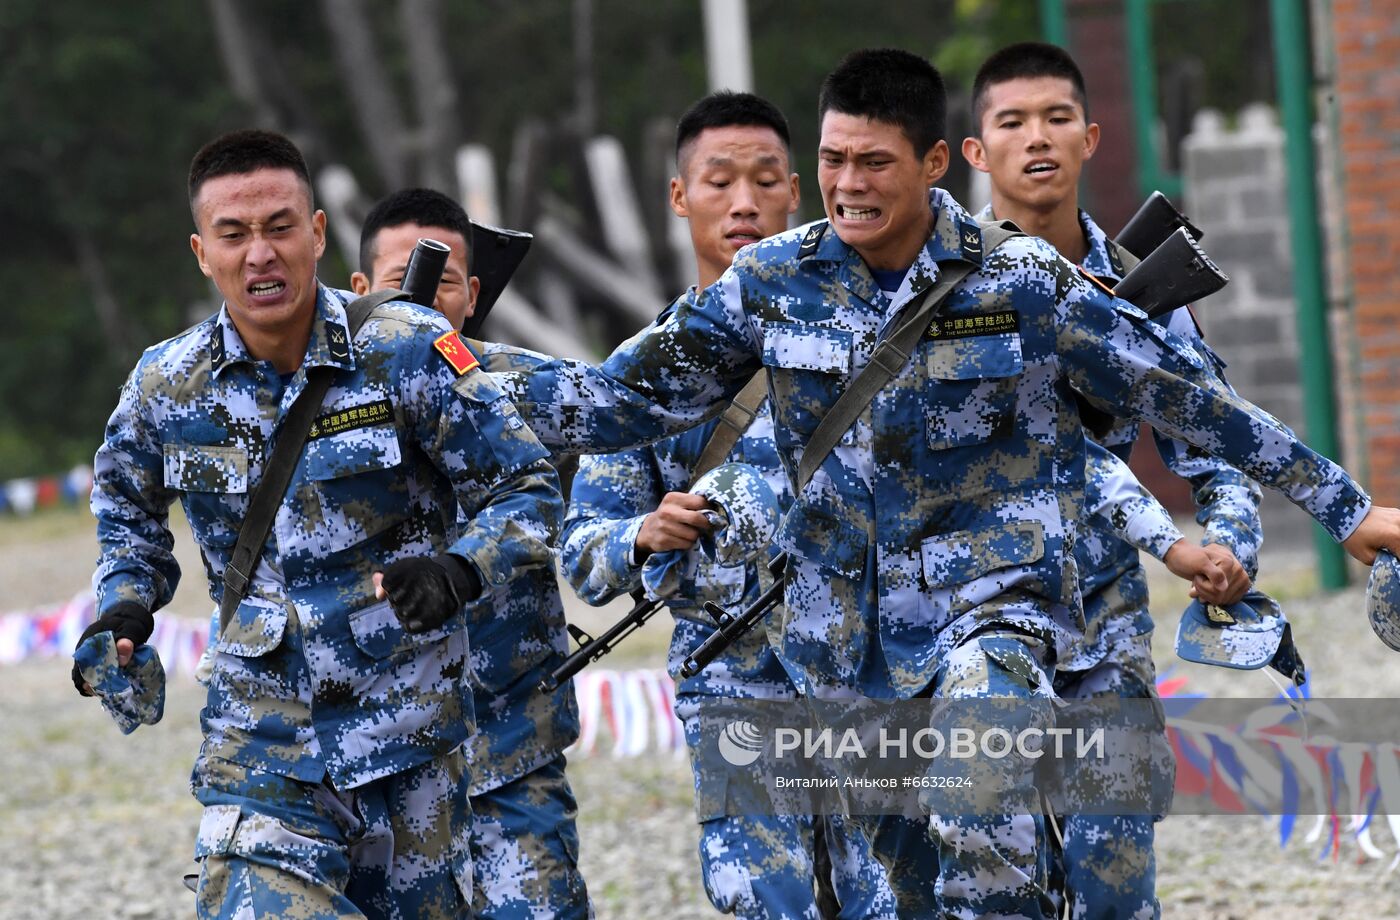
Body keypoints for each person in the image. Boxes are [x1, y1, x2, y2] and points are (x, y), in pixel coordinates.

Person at [488, 48, 1400, 918]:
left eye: (874, 164)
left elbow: (1194, 403)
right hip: (841, 650)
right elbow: (614, 406)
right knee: (904, 892)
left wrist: (1345, 509)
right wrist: (446, 361)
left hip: (996, 611)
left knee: (983, 789)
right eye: (834, 160)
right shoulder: (772, 282)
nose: (849, 185)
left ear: (932, 162)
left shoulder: (1020, 281)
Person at [76, 128, 562, 919]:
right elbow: (125, 502)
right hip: (261, 743)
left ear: (318, 234)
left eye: (278, 227)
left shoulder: (406, 349)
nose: (259, 254)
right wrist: (129, 600)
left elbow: (525, 483)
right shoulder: (168, 383)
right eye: (234, 235)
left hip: (412, 742)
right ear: (203, 252)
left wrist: (460, 568)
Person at [559, 91, 897, 919]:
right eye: (719, 182)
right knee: (762, 900)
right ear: (681, 198)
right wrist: (644, 533)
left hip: (876, 676)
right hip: (736, 684)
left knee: (891, 897)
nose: (744, 203)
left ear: (797, 193)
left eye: (764, 180)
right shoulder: (644, 371)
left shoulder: (879, 341)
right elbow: (583, 554)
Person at [960, 41, 1263, 918]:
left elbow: (1215, 446)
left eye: (1056, 118)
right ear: (976, 152)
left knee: (1116, 873)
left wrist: (1229, 548)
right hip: (965, 621)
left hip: (1104, 619)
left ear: (1090, 137)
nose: (1037, 139)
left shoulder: (1146, 289)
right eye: (1011, 123)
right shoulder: (938, 286)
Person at [350, 187, 590, 918]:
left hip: (510, 742)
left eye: (442, 280)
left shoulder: (525, 384)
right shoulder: (326, 400)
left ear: (475, 293)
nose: (420, 305)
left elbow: (634, 406)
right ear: (360, 292)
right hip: (383, 759)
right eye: (399, 284)